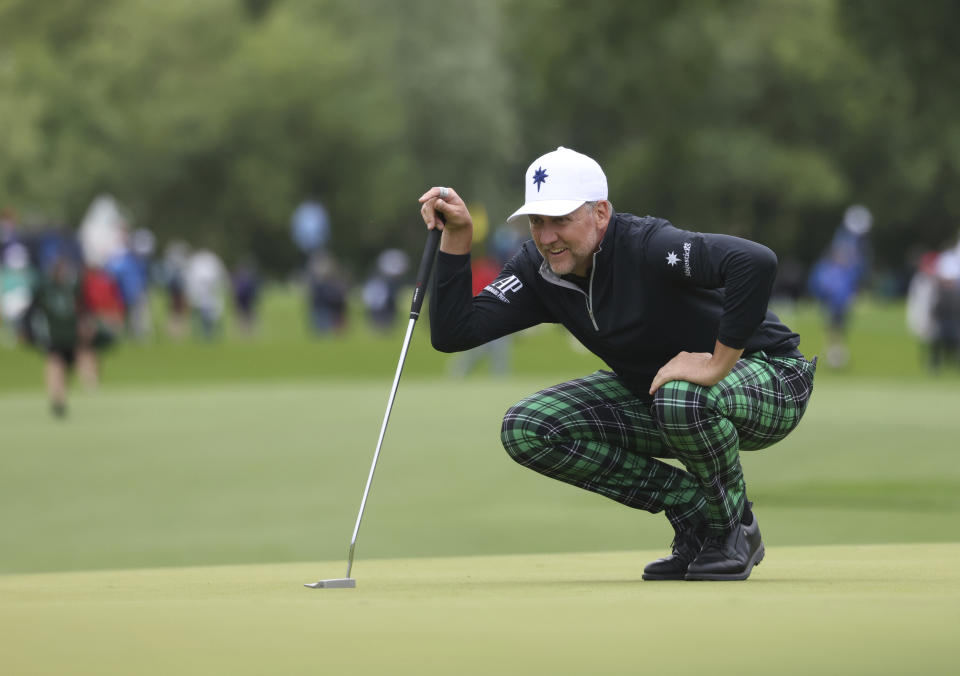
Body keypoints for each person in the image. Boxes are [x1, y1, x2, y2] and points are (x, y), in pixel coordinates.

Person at [419, 147, 817, 582]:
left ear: (601, 213)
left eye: (561, 220)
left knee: (680, 396)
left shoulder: (647, 245)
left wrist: (717, 364)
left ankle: (731, 530)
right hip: (662, 396)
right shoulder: (541, 270)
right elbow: (454, 332)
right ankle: (694, 511)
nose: (547, 236)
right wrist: (457, 238)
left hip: (773, 376)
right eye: (537, 222)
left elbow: (754, 261)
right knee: (528, 427)